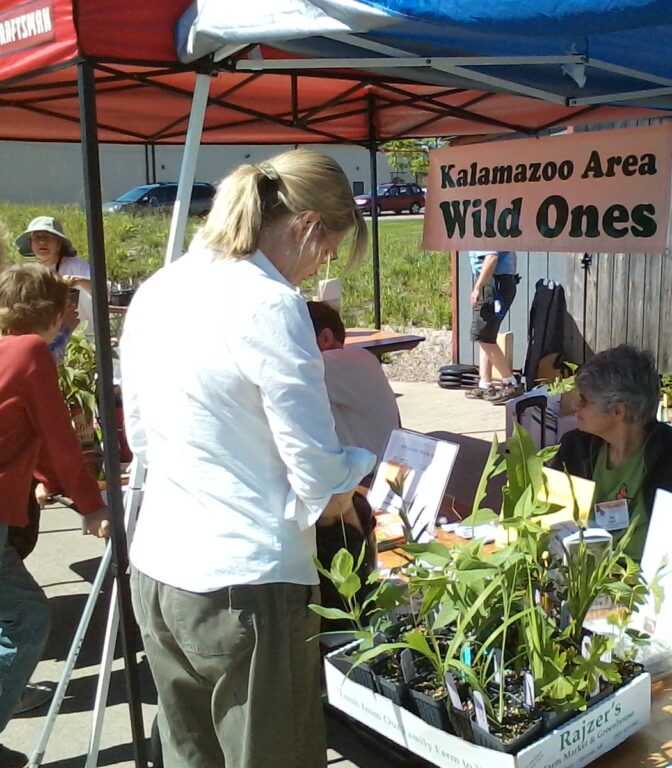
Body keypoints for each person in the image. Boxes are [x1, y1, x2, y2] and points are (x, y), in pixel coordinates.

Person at [119, 150, 376, 768]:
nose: (323, 266)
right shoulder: (267, 302)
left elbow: (142, 440)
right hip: (247, 581)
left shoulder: (159, 287)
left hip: (159, 570)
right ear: (309, 226)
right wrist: (357, 471)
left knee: (189, 755)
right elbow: (315, 466)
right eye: (329, 250)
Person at [0, 263, 111, 768]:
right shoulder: (30, 352)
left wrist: (46, 479)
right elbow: (61, 438)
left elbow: (29, 434)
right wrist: (92, 505)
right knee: (25, 621)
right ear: (48, 311)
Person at [549, 345, 672, 561]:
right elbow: (548, 519)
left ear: (618, 411)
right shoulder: (573, 448)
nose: (575, 405)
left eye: (584, 400)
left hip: (648, 584)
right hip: (578, 576)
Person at [306, 300, 401, 464]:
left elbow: (279, 371)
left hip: (367, 479)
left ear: (326, 337)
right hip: (381, 468)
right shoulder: (361, 359)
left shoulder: (335, 363)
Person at [15, 216, 89, 359]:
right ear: (31, 244)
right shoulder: (29, 273)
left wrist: (78, 281)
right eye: (37, 238)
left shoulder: (76, 266)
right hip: (47, 342)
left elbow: (104, 291)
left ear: (59, 244)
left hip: (82, 339)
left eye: (48, 237)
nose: (42, 242)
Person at [464, 249, 523, 404]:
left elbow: (491, 258)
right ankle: (485, 385)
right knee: (486, 337)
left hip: (493, 284)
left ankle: (510, 383)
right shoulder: (496, 230)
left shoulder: (488, 231)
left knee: (482, 335)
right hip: (496, 282)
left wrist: (478, 288)